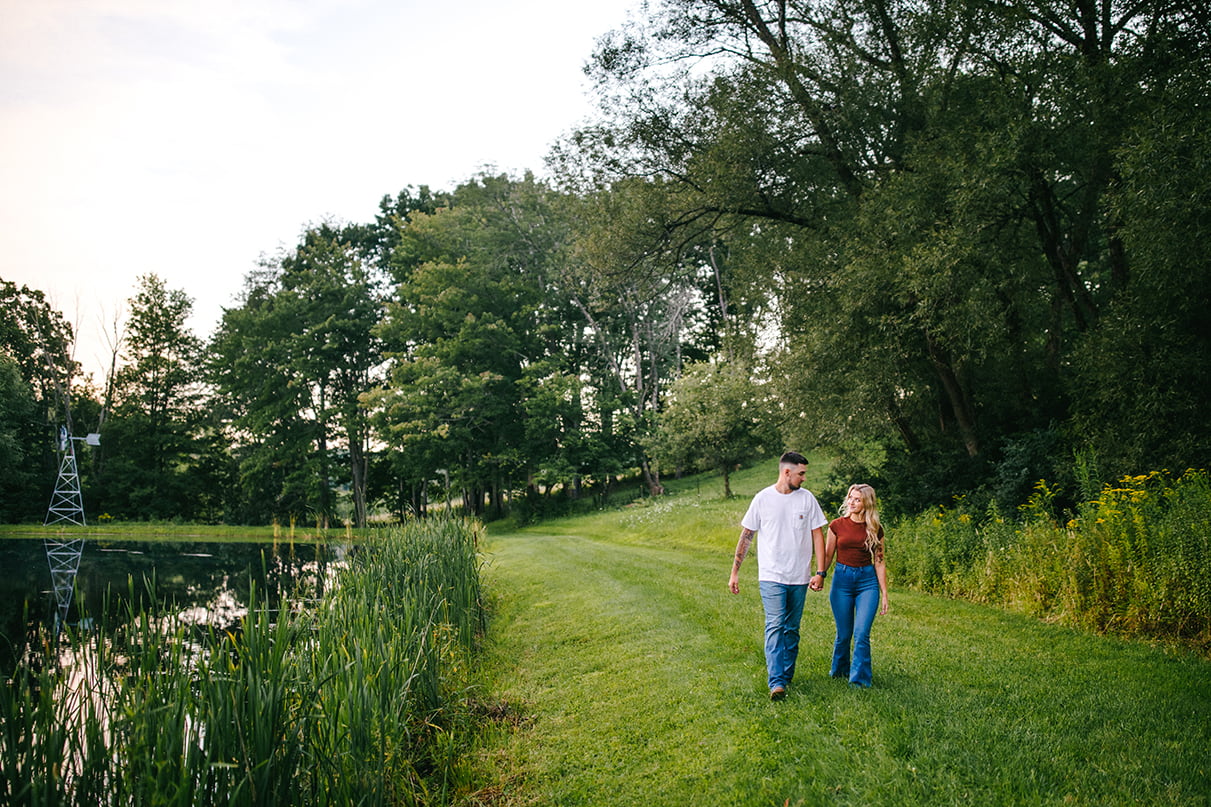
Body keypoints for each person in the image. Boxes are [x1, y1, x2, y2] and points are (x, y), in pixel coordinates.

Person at [728, 451, 828, 701]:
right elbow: (747, 536)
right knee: (775, 625)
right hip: (771, 576)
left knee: (791, 629)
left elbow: (818, 535)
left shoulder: (807, 499)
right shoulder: (763, 499)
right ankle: (776, 683)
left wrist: (820, 572)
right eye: (801, 473)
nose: (804, 478)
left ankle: (786, 675)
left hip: (799, 577)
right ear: (787, 472)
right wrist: (735, 572)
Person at [818, 483, 888, 688]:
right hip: (842, 581)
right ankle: (839, 671)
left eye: (857, 499)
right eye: (850, 497)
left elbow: (880, 561)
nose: (852, 502)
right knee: (844, 634)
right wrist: (820, 574)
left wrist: (884, 593)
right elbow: (828, 554)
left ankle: (859, 680)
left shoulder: (875, 528)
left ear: (867, 503)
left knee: (861, 633)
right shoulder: (837, 525)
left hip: (867, 583)